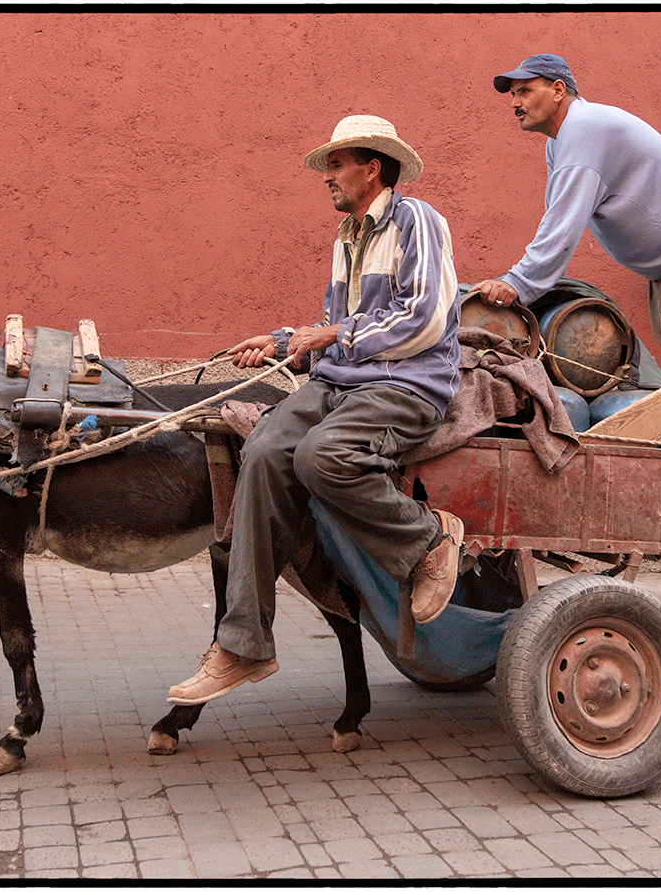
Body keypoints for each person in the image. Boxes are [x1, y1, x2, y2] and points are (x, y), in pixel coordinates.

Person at [168, 115, 465, 706]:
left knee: (320, 456)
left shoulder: (419, 221)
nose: (326, 177)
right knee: (261, 450)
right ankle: (245, 644)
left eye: (335, 165)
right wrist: (281, 343)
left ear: (371, 167)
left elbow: (426, 317)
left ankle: (430, 539)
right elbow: (331, 328)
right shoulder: (346, 237)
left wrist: (325, 336)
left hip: (406, 383)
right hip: (342, 383)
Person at [471, 54, 661, 530]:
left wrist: (517, 284)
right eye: (512, 93)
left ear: (559, 90)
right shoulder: (563, 143)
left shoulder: (583, 131)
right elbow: (561, 220)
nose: (515, 102)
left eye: (526, 90)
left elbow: (560, 228)